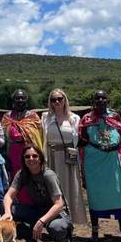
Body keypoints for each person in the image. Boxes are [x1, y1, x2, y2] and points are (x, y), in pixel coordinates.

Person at [1, 144, 73, 242]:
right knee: (10, 211)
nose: (31, 159)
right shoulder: (22, 174)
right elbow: (8, 196)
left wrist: (41, 221)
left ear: (40, 158)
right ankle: (32, 241)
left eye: (34, 156)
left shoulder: (48, 175)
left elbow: (59, 204)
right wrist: (7, 212)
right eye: (27, 156)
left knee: (56, 227)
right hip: (37, 210)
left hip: (56, 214)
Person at [78, 90, 121, 242]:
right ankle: (95, 232)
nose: (100, 100)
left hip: (113, 161)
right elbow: (81, 141)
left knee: (119, 194)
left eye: (103, 98)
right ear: (92, 101)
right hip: (94, 164)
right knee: (95, 197)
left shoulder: (115, 116)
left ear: (108, 100)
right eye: (97, 98)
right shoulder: (86, 119)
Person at [41, 89, 87, 225]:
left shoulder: (74, 118)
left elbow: (79, 140)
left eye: (59, 99)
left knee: (70, 188)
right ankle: (54, 220)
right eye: (53, 100)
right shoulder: (45, 117)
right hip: (51, 157)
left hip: (68, 160)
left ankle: (70, 219)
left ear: (65, 100)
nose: (57, 102)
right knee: (53, 189)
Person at [2, 89, 44, 205]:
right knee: (16, 181)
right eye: (17, 98)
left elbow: (39, 136)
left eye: (22, 98)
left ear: (26, 100)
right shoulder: (6, 117)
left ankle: (33, 209)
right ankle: (17, 210)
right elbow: (3, 138)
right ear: (13, 101)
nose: (20, 100)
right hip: (13, 154)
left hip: (29, 155)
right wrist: (5, 157)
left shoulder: (33, 117)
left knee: (31, 179)